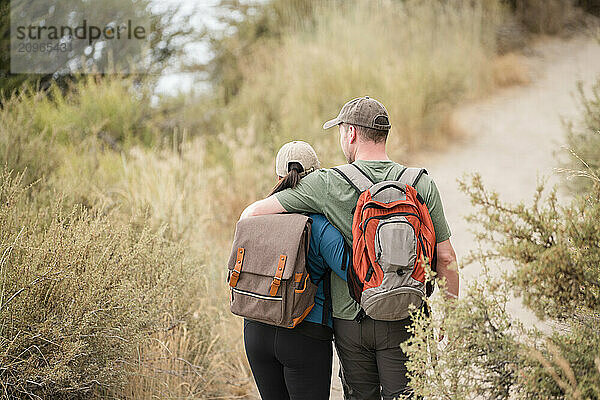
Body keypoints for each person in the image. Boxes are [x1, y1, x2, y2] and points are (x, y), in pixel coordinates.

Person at [240, 96, 459, 399]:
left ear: (351, 134)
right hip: (408, 314)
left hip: (351, 319)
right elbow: (446, 257)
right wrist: (450, 312)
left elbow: (252, 214)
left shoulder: (328, 183)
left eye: (341, 130)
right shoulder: (421, 182)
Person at [243, 140, 349, 400]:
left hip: (256, 330)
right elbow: (353, 274)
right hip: (305, 333)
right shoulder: (322, 226)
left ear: (278, 176)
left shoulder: (257, 218)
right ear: (315, 177)